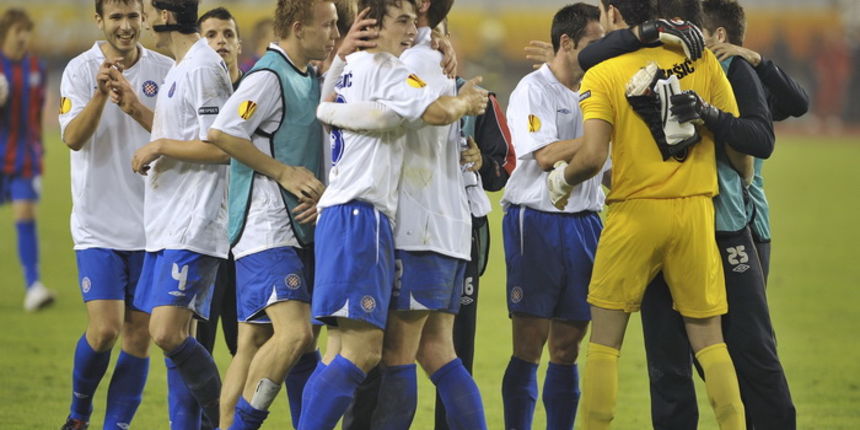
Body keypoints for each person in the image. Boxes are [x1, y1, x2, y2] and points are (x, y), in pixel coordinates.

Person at [547, 0, 749, 427]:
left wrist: (562, 180)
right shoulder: (700, 60)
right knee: (711, 344)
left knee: (605, 344)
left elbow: (592, 156)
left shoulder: (602, 73)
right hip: (695, 210)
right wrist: (743, 179)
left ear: (615, 16)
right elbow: (735, 141)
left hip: (634, 212)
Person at [299, 0, 488, 427]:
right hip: (384, 219)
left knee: (359, 351)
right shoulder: (401, 63)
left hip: (401, 224)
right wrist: (463, 102)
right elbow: (430, 111)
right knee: (382, 351)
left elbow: (354, 106)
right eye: (397, 21)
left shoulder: (384, 62)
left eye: (409, 21)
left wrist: (327, 108)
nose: (406, 29)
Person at [636, 1, 807, 428]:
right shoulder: (653, 70)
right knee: (691, 357)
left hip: (735, 222)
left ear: (715, 36)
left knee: (747, 351)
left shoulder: (733, 72)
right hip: (674, 226)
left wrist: (754, 63)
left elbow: (771, 128)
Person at [206, 0, 341, 428]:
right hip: (265, 228)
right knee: (297, 334)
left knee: (255, 341)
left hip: (294, 227)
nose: (334, 33)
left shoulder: (307, 75)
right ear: (299, 29)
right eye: (329, 25)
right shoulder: (267, 76)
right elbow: (223, 131)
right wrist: (284, 171)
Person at [116, 0, 232, 427]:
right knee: (172, 338)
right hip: (166, 224)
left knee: (167, 332)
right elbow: (181, 135)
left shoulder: (202, 67)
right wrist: (136, 112)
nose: (141, 18)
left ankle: (230, 418)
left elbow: (222, 147)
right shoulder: (180, 68)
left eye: (145, 9)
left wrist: (159, 147)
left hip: (193, 223)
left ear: (164, 16)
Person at [57, 1, 173, 428]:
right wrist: (100, 95)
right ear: (99, 21)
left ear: (144, 18)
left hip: (152, 226)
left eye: (132, 17)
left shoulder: (164, 70)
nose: (125, 27)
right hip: (98, 226)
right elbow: (72, 138)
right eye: (116, 18)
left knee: (139, 337)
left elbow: (175, 136)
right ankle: (79, 412)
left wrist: (132, 106)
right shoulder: (80, 69)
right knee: (105, 330)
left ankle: (116, 425)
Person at [501, 5, 607, 430]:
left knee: (568, 347)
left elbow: (611, 170)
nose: (605, 51)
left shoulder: (597, 89)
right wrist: (598, 137)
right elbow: (544, 155)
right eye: (595, 43)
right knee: (529, 344)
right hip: (536, 222)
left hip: (585, 223)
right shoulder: (532, 89)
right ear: (567, 43)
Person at [0, 8, 54, 312]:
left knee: (25, 216)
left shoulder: (37, 67)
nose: (23, 37)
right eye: (18, 31)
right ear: (6, 33)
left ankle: (33, 286)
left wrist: (38, 150)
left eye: (26, 31)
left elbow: (36, 114)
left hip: (24, 157)